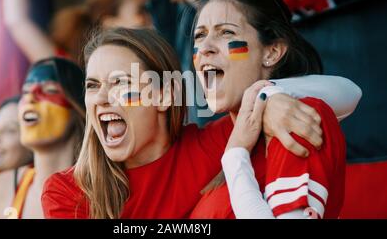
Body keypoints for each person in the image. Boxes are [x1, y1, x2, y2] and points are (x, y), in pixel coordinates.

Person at [41, 28, 359, 219]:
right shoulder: (67, 192)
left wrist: (272, 97)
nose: (102, 98)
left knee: (304, 111)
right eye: (93, 86)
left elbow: (347, 93)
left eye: (121, 84)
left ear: (164, 96)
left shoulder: (209, 145)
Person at [189, 0, 360, 218]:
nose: (205, 47)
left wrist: (235, 156)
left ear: (272, 52)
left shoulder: (295, 117)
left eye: (226, 32)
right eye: (199, 35)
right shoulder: (219, 135)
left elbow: (351, 92)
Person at [0, 57, 85, 219]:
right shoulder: (2, 189)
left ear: (78, 109)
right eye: (25, 92)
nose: (30, 98)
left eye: (50, 91)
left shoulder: (103, 187)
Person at [4, 0, 152, 64]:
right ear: (110, 23)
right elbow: (17, 21)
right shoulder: (73, 73)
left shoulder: (162, 58)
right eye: (141, 10)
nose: (152, 15)